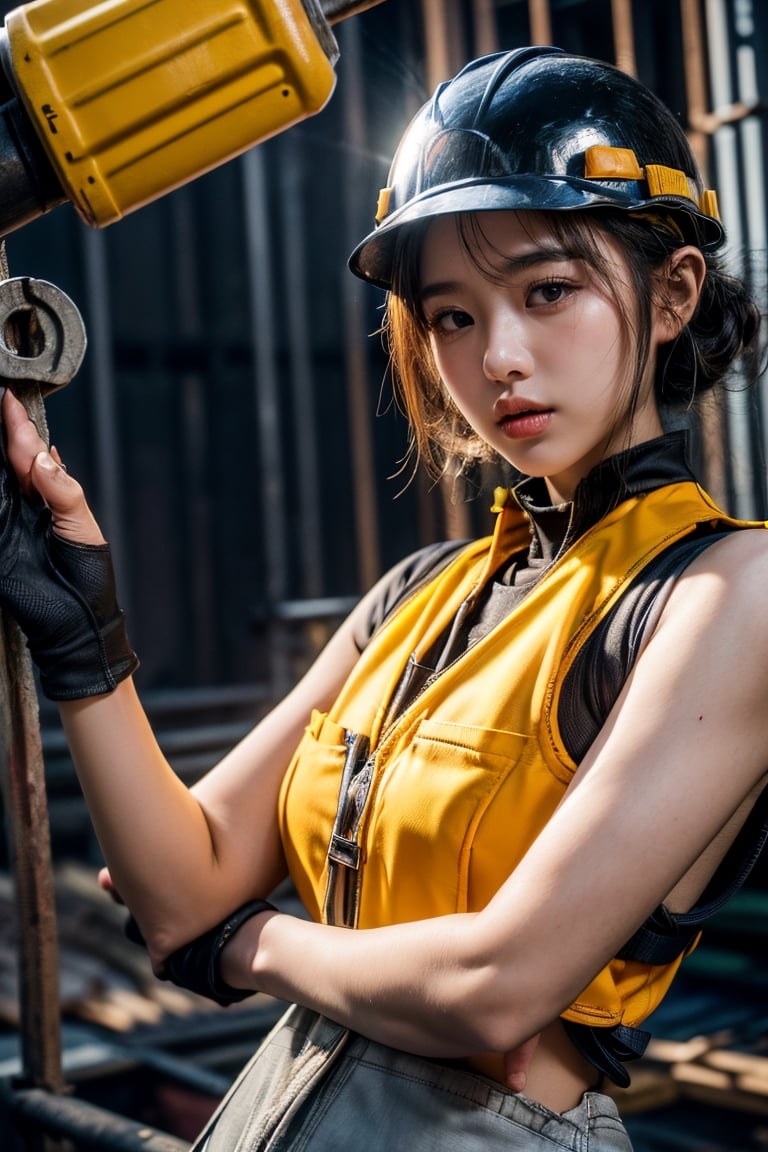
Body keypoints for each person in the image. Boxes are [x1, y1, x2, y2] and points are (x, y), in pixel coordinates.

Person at [1, 45, 767, 1152]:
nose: (498, 355)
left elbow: (496, 986)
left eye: (548, 291)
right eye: (452, 316)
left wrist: (245, 946)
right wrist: (83, 635)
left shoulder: (721, 594)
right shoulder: (418, 596)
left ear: (672, 294)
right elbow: (179, 886)